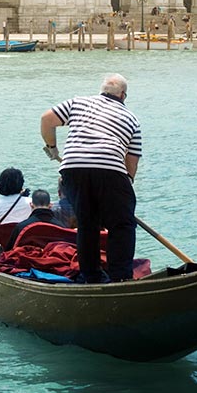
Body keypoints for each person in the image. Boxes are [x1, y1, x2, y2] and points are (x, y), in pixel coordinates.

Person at [40, 73, 142, 284]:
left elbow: (46, 119)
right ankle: (121, 277)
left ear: (102, 90)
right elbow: (131, 160)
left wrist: (52, 148)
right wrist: (126, 184)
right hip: (111, 170)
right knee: (122, 224)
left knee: (87, 225)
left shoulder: (78, 103)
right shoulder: (131, 118)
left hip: (72, 169)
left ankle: (92, 277)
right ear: (123, 95)